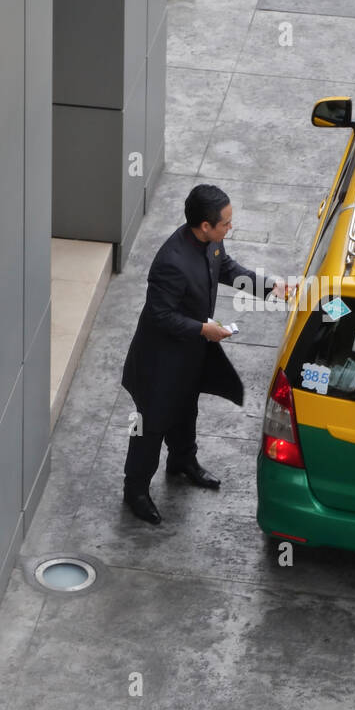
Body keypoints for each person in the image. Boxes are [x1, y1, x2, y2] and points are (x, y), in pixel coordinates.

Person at [120, 184, 287, 525]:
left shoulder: (212, 243)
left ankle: (183, 462)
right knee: (148, 429)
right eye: (225, 223)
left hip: (189, 357)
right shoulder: (171, 262)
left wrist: (270, 286)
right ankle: (135, 490)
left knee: (185, 411)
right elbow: (159, 315)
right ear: (205, 226)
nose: (230, 228)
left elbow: (227, 269)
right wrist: (203, 330)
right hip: (158, 365)